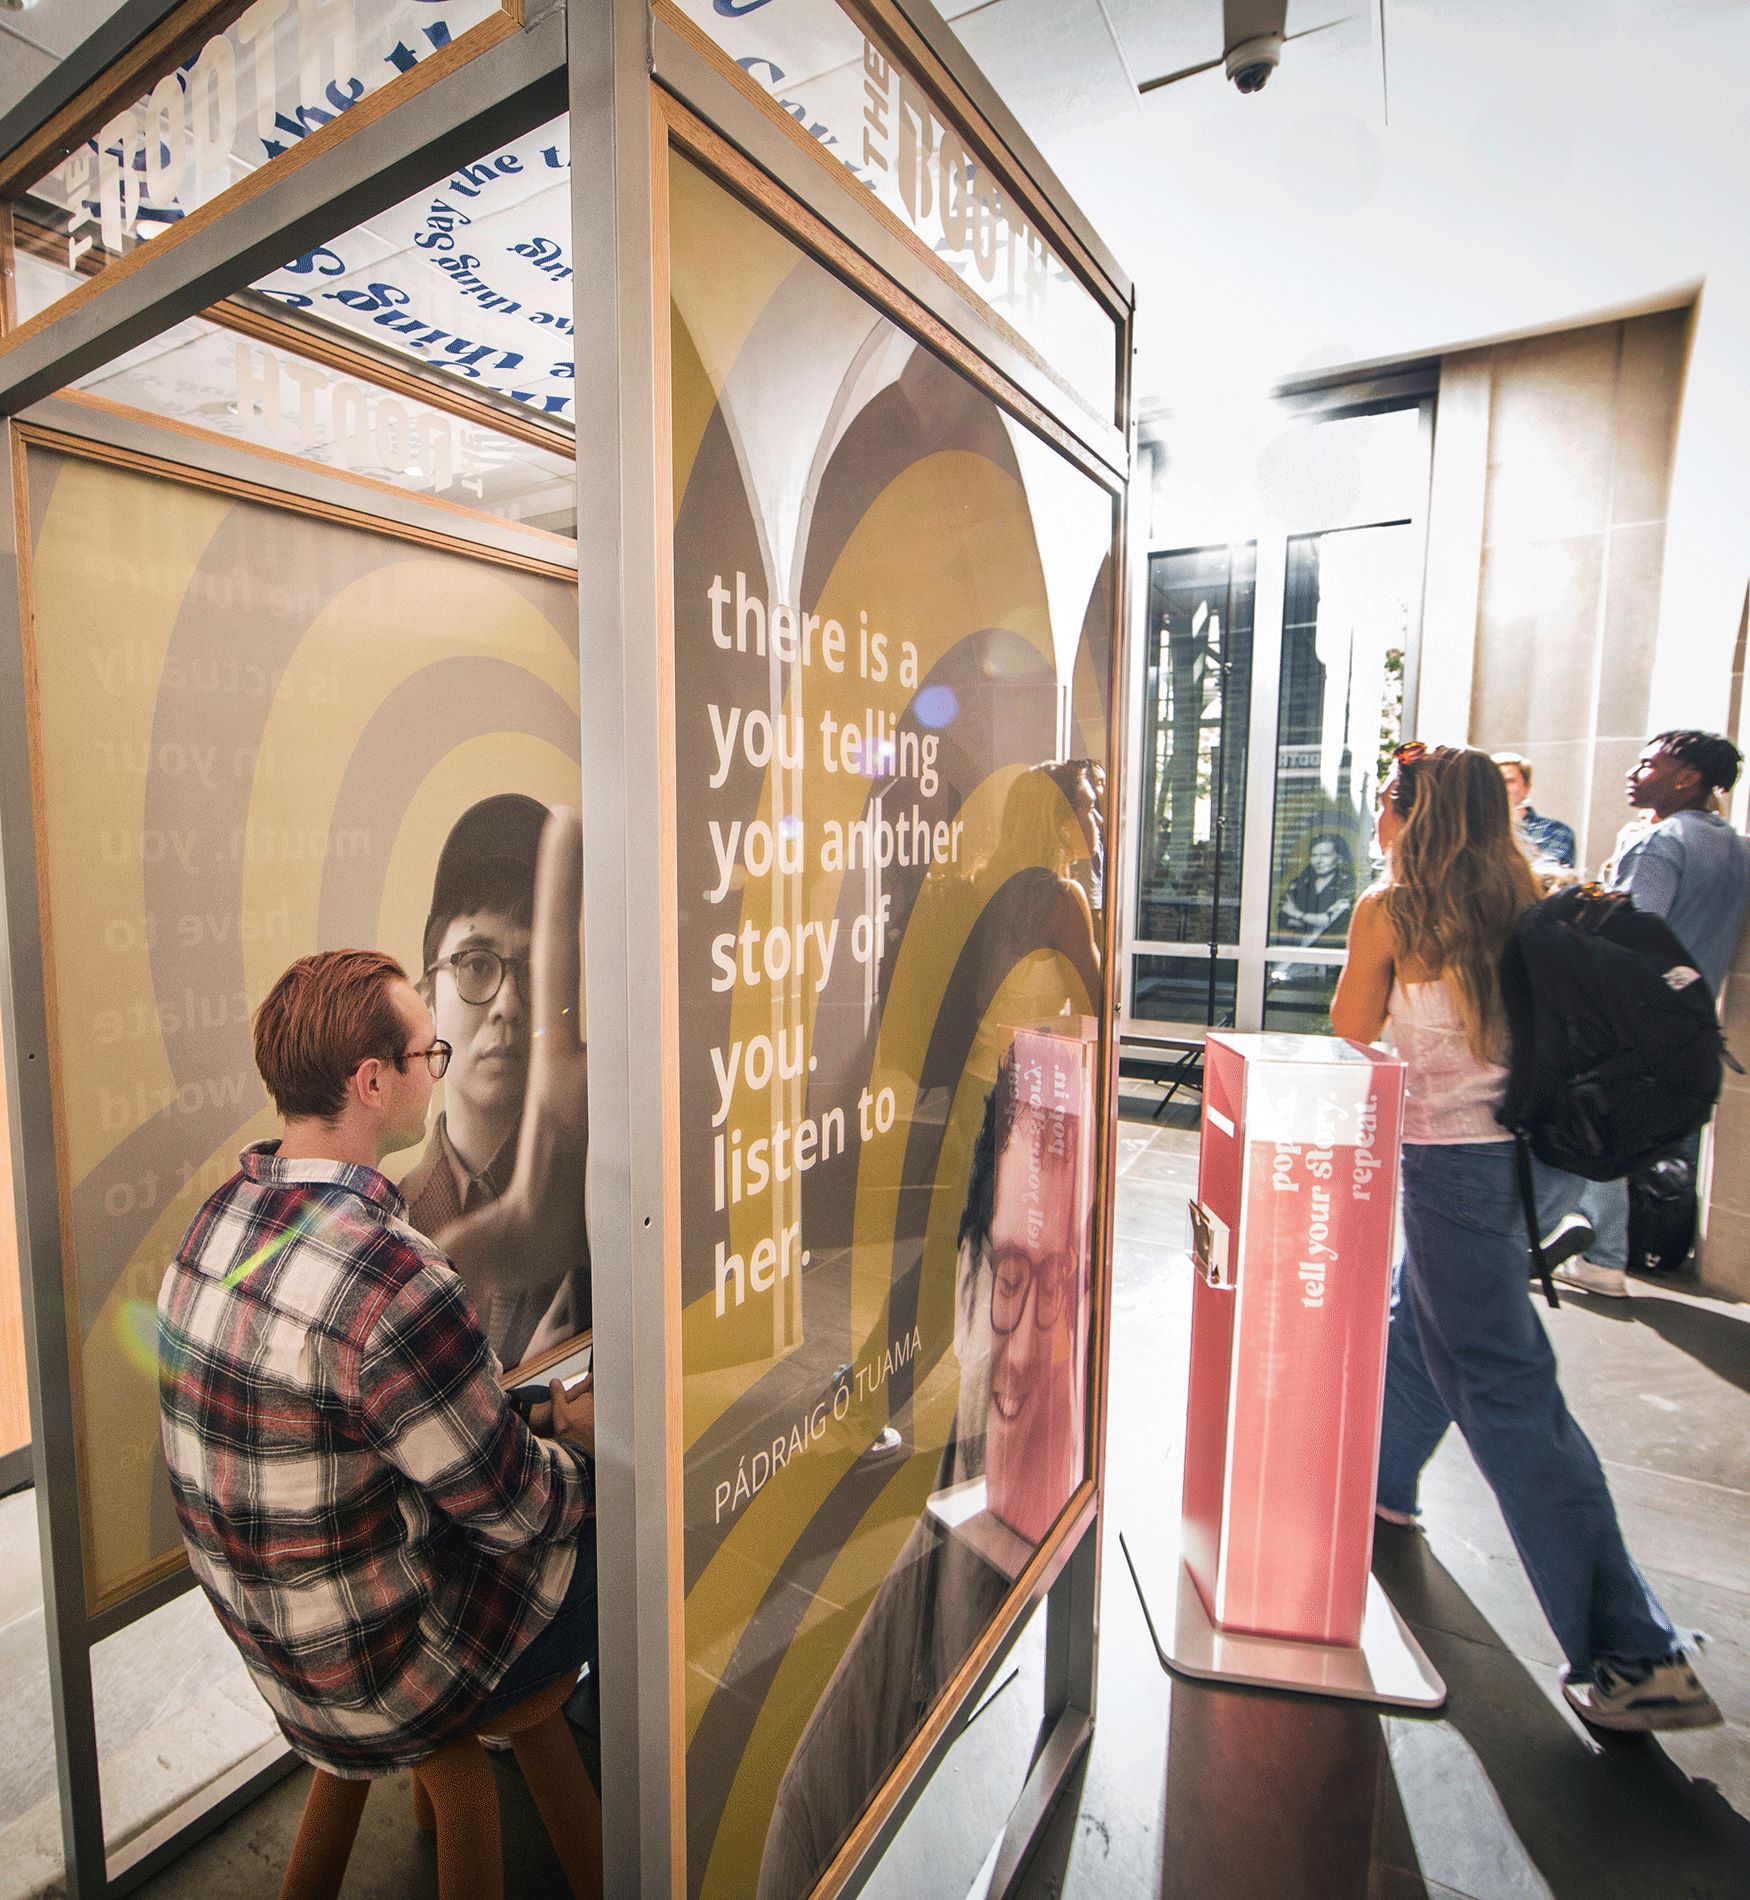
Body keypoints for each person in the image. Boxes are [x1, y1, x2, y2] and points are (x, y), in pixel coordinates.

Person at [1333, 743, 1720, 1733]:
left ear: (1410, 815)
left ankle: (1633, 1655)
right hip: (1538, 1157)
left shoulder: (1391, 908)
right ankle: (1372, 1486)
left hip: (1455, 1163)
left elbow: (1349, 1028)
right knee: (1422, 1321)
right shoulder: (1535, 896)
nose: (1379, 812)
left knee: (1503, 1387)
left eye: (1386, 800)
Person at [157, 948, 604, 1796]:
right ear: (371, 1082)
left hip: (278, 1665)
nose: (439, 1073)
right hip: (388, 1685)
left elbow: (381, 1425)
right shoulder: (396, 1277)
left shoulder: (216, 1223)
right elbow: (520, 1515)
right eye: (428, 1056)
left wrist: (539, 1415)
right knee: (632, 1523)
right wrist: (583, 1459)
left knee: (541, 1429)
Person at [402, 794, 590, 1366]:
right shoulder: (392, 1224)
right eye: (476, 964)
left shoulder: (600, 1195)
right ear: (428, 997)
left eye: (532, 970)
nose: (509, 1003)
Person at [1560, 729, 1750, 1296]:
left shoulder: (1661, 842)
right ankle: (1650, 1249)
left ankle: (1603, 1257)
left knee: (1599, 1131)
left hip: (1632, 1019)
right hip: (1692, 1024)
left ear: (1686, 777)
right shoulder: (1735, 844)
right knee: (1660, 1141)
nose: (1633, 773)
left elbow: (1630, 937)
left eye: (1648, 764)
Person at [1493, 751, 1577, 869]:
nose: (1500, 787)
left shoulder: (1556, 831)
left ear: (1526, 786)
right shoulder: (1473, 830)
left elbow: (1549, 877)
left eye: (1509, 781)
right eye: (1493, 782)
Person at [1277, 831, 1357, 944]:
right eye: (1314, 855)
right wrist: (1313, 920)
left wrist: (1297, 914)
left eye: (1325, 855)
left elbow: (1331, 921)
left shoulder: (1347, 883)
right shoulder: (1301, 882)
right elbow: (1282, 917)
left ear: (1339, 857)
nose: (1318, 861)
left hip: (1329, 951)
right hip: (1296, 948)